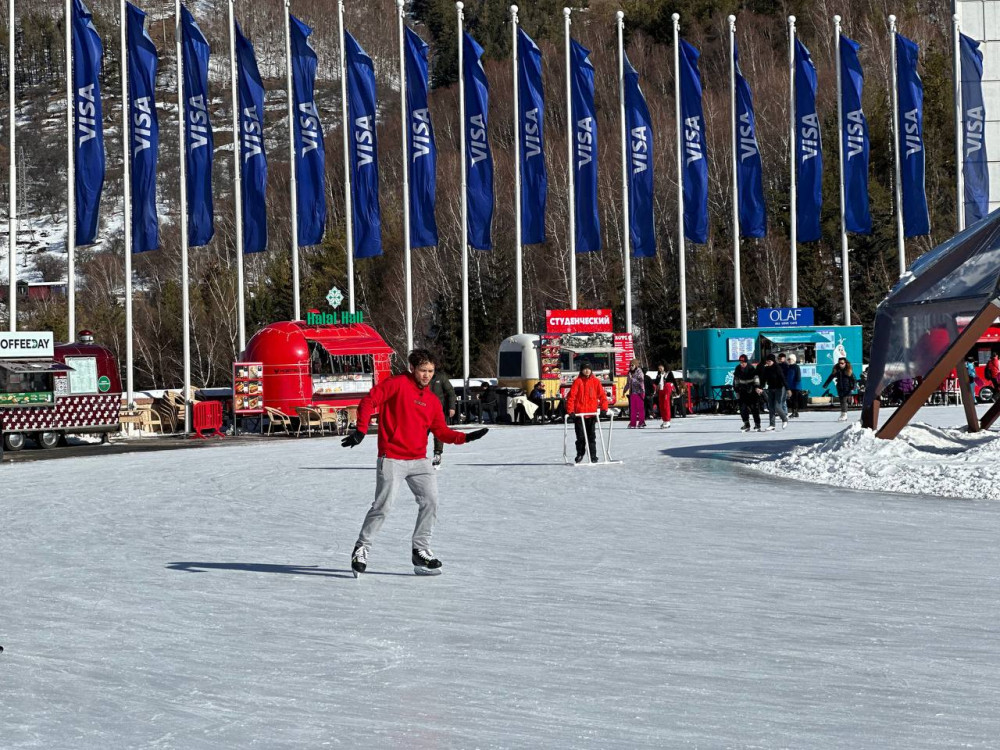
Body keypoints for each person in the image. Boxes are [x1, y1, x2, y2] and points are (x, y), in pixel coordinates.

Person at [341, 349, 488, 577]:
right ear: (412, 368)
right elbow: (369, 401)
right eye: (422, 370)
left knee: (431, 501)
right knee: (383, 506)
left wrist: (465, 437)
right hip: (392, 457)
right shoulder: (398, 384)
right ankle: (362, 548)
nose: (427, 375)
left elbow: (441, 431)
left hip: (420, 460)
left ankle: (420, 550)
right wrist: (361, 430)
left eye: (430, 371)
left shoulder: (431, 400)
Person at [566, 362, 609, 463]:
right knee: (580, 436)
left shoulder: (596, 382)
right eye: (584, 369)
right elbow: (571, 397)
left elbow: (602, 396)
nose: (587, 370)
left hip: (591, 414)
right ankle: (580, 453)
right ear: (581, 370)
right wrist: (570, 411)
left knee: (591, 436)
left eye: (588, 369)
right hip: (579, 415)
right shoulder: (577, 382)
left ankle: (593, 455)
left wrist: (604, 409)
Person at [429, 368, 456, 468]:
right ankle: (417, 456)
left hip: (438, 411)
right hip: (422, 411)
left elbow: (450, 392)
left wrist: (451, 407)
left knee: (439, 434)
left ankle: (437, 454)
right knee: (420, 434)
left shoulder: (440, 377)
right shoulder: (418, 376)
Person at [758, 353, 789, 431]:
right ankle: (772, 425)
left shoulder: (777, 368)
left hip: (780, 388)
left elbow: (782, 378)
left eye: (769, 361)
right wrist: (761, 388)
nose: (767, 362)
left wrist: (788, 389)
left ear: (772, 361)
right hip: (771, 388)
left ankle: (784, 419)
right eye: (767, 361)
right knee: (771, 407)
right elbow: (763, 380)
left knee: (777, 406)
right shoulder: (766, 369)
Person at [733, 355, 761, 432]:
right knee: (742, 408)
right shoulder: (738, 368)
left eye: (743, 362)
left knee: (754, 408)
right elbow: (736, 380)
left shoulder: (751, 368)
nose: (742, 364)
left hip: (751, 391)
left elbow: (756, 379)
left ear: (746, 362)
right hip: (742, 391)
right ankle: (746, 423)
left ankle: (757, 424)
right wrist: (736, 389)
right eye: (740, 362)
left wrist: (757, 387)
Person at [823, 357, 857, 421]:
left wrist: (854, 387)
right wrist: (826, 384)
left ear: (845, 363)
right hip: (839, 387)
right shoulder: (837, 370)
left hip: (847, 388)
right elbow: (831, 377)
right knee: (841, 401)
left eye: (842, 363)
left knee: (844, 401)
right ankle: (843, 414)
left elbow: (854, 379)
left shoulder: (848, 370)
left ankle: (844, 414)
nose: (840, 364)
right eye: (839, 363)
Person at [623, 359, 647, 429]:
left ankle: (641, 422)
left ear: (636, 365)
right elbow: (628, 383)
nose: (631, 366)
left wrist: (632, 379)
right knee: (633, 409)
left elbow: (641, 381)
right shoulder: (629, 373)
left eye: (632, 365)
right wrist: (625, 390)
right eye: (630, 365)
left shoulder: (639, 372)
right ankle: (633, 423)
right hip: (632, 393)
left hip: (639, 392)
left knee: (640, 409)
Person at [653, 364, 672, 429]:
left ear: (664, 367)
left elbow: (672, 382)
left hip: (666, 390)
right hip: (660, 391)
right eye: (659, 367)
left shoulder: (668, 373)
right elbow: (656, 382)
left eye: (661, 367)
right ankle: (664, 420)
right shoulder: (658, 375)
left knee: (665, 405)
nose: (660, 368)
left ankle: (667, 420)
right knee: (661, 406)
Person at [785, 354, 803, 418]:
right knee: (792, 400)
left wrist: (796, 384)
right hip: (790, 386)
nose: (789, 360)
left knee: (795, 400)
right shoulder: (788, 367)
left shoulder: (796, 367)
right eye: (788, 359)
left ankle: (794, 412)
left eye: (790, 359)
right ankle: (795, 412)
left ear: (793, 360)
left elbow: (798, 377)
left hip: (795, 386)